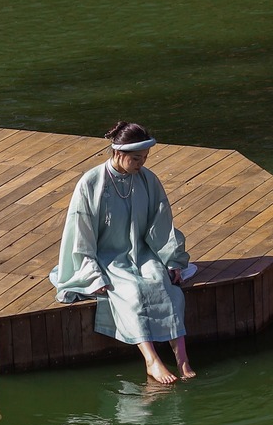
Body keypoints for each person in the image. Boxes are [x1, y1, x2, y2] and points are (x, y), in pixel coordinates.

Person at [50, 121, 200, 384]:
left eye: (144, 158)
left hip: (142, 252)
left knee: (164, 286)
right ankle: (151, 360)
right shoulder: (91, 183)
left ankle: (182, 358)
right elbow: (81, 234)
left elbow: (162, 223)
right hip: (106, 257)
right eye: (136, 158)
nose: (141, 163)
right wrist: (92, 275)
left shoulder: (147, 179)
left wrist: (172, 260)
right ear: (118, 153)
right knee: (131, 293)